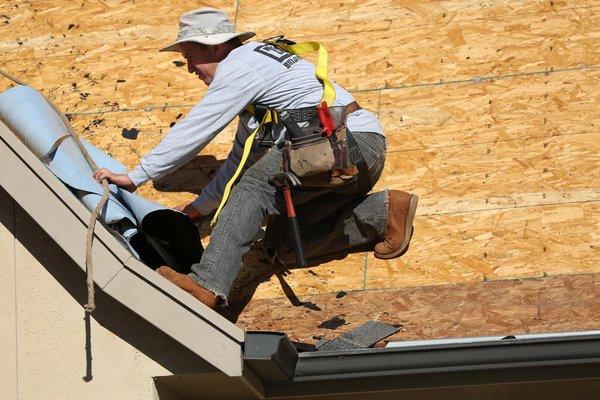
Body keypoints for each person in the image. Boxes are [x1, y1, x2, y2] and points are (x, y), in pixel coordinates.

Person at [93, 8, 418, 308]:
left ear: (215, 47)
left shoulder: (240, 64)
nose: (190, 68)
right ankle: (385, 212)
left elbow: (198, 127)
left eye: (192, 57)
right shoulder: (257, 76)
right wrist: (198, 208)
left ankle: (207, 283)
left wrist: (137, 175)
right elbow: (241, 160)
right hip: (352, 156)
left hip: (344, 144)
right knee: (283, 244)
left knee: (253, 189)